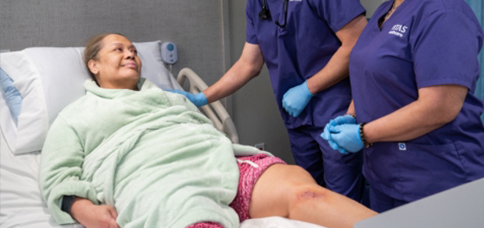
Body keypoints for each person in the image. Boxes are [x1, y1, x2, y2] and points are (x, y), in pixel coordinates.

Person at [39, 33, 376, 228]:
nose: (130, 54)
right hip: (154, 180)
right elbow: (57, 178)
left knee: (306, 191)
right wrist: (85, 210)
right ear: (93, 65)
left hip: (218, 162)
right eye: (118, 49)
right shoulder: (75, 116)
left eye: (134, 50)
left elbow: (205, 131)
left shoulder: (167, 98)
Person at [169, 0, 368, 201]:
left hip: (335, 116)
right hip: (297, 122)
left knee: (343, 202)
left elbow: (357, 42)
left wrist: (308, 88)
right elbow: (249, 64)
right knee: (310, 199)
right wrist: (203, 97)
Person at [321, 0, 484, 213]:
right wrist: (352, 116)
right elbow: (368, 72)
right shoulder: (385, 10)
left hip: (438, 180)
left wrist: (363, 133)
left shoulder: (443, 15)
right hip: (385, 174)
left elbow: (439, 108)